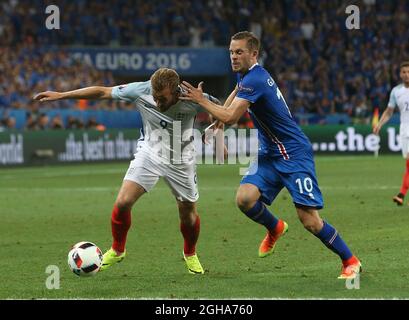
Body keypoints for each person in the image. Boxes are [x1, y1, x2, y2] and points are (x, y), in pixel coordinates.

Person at [180, 31, 361, 280]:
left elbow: (233, 116)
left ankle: (350, 260)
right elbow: (235, 92)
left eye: (239, 52)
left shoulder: (256, 79)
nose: (233, 56)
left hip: (293, 153)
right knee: (245, 199)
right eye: (231, 52)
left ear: (254, 54)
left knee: (309, 220)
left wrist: (202, 101)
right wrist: (219, 122)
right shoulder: (247, 74)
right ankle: (275, 227)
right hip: (270, 152)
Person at [33, 68, 220, 275]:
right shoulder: (140, 90)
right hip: (150, 153)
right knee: (123, 202)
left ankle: (190, 253)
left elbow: (222, 109)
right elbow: (102, 92)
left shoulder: (193, 97)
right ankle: (118, 249)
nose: (157, 102)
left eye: (163, 98)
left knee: (188, 214)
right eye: (155, 97)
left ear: (176, 92)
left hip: (181, 160)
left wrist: (217, 128)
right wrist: (61, 95)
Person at [374, 61, 409, 206]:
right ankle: (401, 194)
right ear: (400, 74)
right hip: (405, 129)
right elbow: (389, 111)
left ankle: (401, 193)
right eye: (404, 72)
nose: (407, 75)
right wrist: (379, 124)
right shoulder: (396, 91)